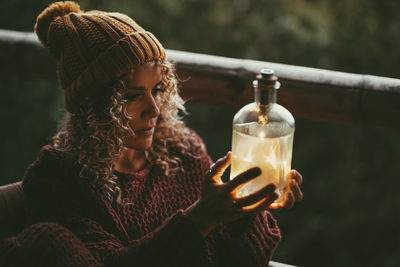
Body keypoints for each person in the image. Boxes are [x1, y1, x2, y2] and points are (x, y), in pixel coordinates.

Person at [0, 1, 303, 266]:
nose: (155, 109)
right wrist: (202, 217)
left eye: (158, 90)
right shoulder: (58, 179)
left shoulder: (183, 150)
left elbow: (242, 261)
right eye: (132, 96)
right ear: (92, 105)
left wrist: (246, 210)